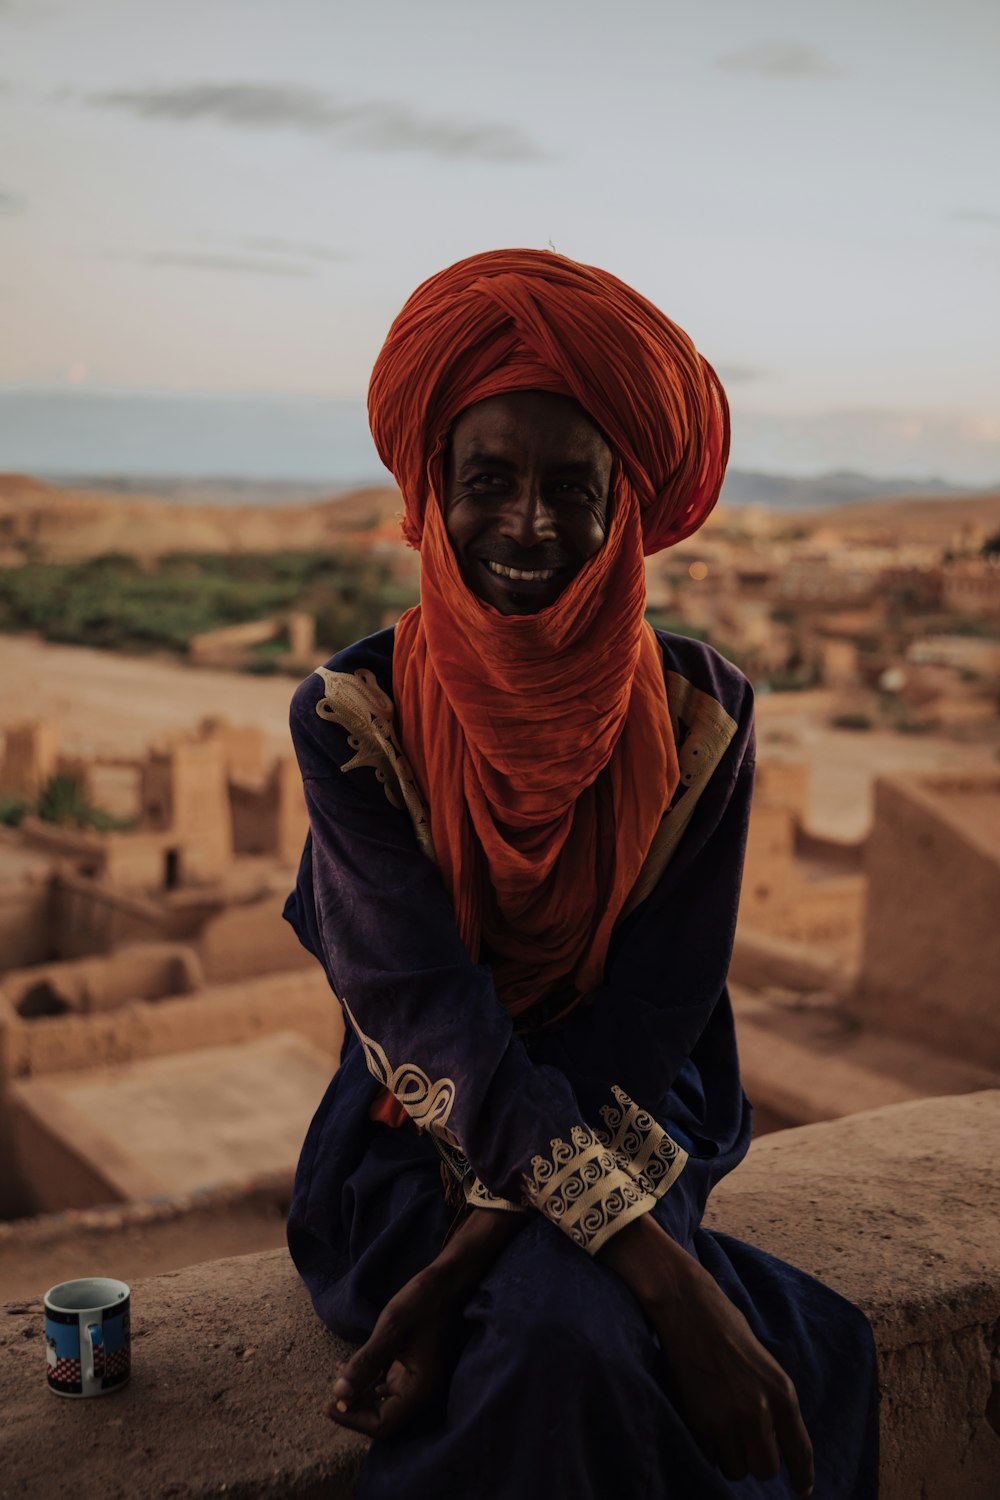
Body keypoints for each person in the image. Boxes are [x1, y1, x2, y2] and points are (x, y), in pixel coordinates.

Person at [284, 249, 878, 1499]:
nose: (528, 525)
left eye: (574, 486)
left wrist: (459, 1273)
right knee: (589, 1341)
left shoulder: (701, 715)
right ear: (426, 493)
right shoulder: (355, 720)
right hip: (417, 1132)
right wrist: (666, 1278)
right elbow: (430, 1025)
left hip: (641, 1111)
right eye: (485, 480)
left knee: (561, 1341)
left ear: (629, 506)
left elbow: (651, 1021)